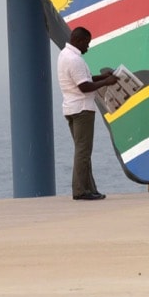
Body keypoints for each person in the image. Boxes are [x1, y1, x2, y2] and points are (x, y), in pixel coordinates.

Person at [57, 26, 118, 201]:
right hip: (82, 109)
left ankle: (90, 188)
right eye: (87, 43)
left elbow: (85, 79)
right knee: (83, 152)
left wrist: (101, 77)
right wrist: (107, 81)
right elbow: (84, 87)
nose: (88, 47)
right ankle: (80, 191)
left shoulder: (64, 55)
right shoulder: (74, 59)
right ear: (79, 41)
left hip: (71, 107)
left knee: (83, 151)